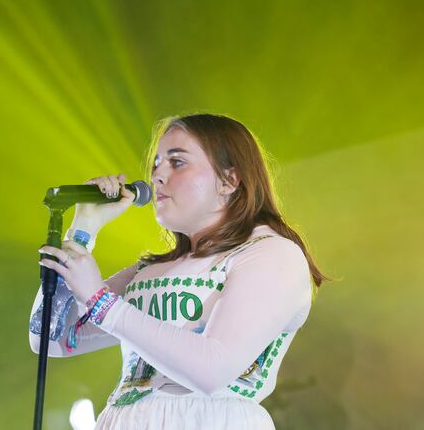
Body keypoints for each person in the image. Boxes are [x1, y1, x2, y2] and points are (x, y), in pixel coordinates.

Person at [29, 113, 328, 429]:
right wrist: (83, 230)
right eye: (157, 163)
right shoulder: (149, 271)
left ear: (229, 180)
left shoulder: (270, 253)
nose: (157, 175)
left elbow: (211, 369)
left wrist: (102, 302)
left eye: (177, 162)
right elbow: (49, 337)